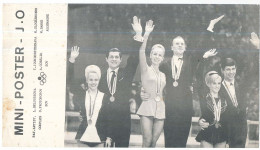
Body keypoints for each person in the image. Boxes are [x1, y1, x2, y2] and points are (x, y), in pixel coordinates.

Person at [68, 47, 111, 147]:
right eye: (90, 80)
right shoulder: (82, 93)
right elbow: (71, 80)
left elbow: (108, 118)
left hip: (100, 135)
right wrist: (72, 60)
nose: (93, 82)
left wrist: (109, 136)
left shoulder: (104, 96)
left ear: (98, 81)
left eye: (96, 80)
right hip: (83, 134)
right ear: (87, 80)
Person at [135, 19, 166, 147]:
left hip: (161, 108)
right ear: (151, 55)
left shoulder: (164, 75)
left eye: (159, 55)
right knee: (146, 140)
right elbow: (141, 51)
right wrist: (146, 33)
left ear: (163, 58)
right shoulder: (145, 69)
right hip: (147, 106)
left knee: (153, 142)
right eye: (154, 54)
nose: (157, 56)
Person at [195, 71, 228, 148]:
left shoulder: (224, 100)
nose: (217, 86)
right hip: (207, 132)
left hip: (221, 134)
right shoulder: (204, 99)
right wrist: (200, 121)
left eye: (219, 83)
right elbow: (204, 114)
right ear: (208, 84)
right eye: (214, 83)